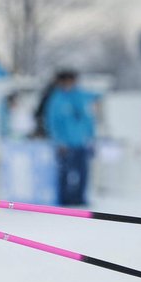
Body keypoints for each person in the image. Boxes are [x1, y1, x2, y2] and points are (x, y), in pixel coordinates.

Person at [43, 69, 100, 206]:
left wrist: (91, 138)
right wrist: (59, 141)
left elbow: (89, 119)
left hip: (81, 142)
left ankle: (80, 198)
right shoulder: (56, 100)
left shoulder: (81, 96)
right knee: (65, 173)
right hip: (65, 144)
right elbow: (52, 123)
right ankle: (64, 200)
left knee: (83, 172)